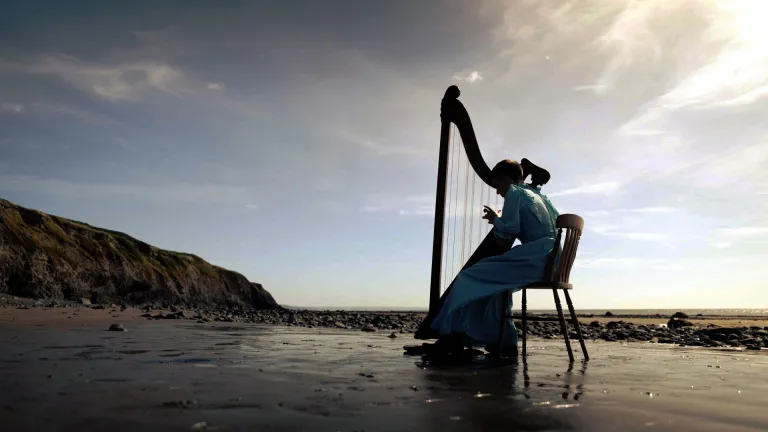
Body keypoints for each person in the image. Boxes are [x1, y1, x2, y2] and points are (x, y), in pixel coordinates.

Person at [412, 159, 560, 358]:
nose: (498, 192)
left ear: (506, 179)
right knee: (498, 288)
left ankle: (450, 338)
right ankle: (504, 341)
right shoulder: (538, 195)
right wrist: (501, 220)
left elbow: (504, 238)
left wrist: (495, 220)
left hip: (537, 258)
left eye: (498, 185)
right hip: (555, 261)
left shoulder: (515, 193)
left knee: (468, 277)